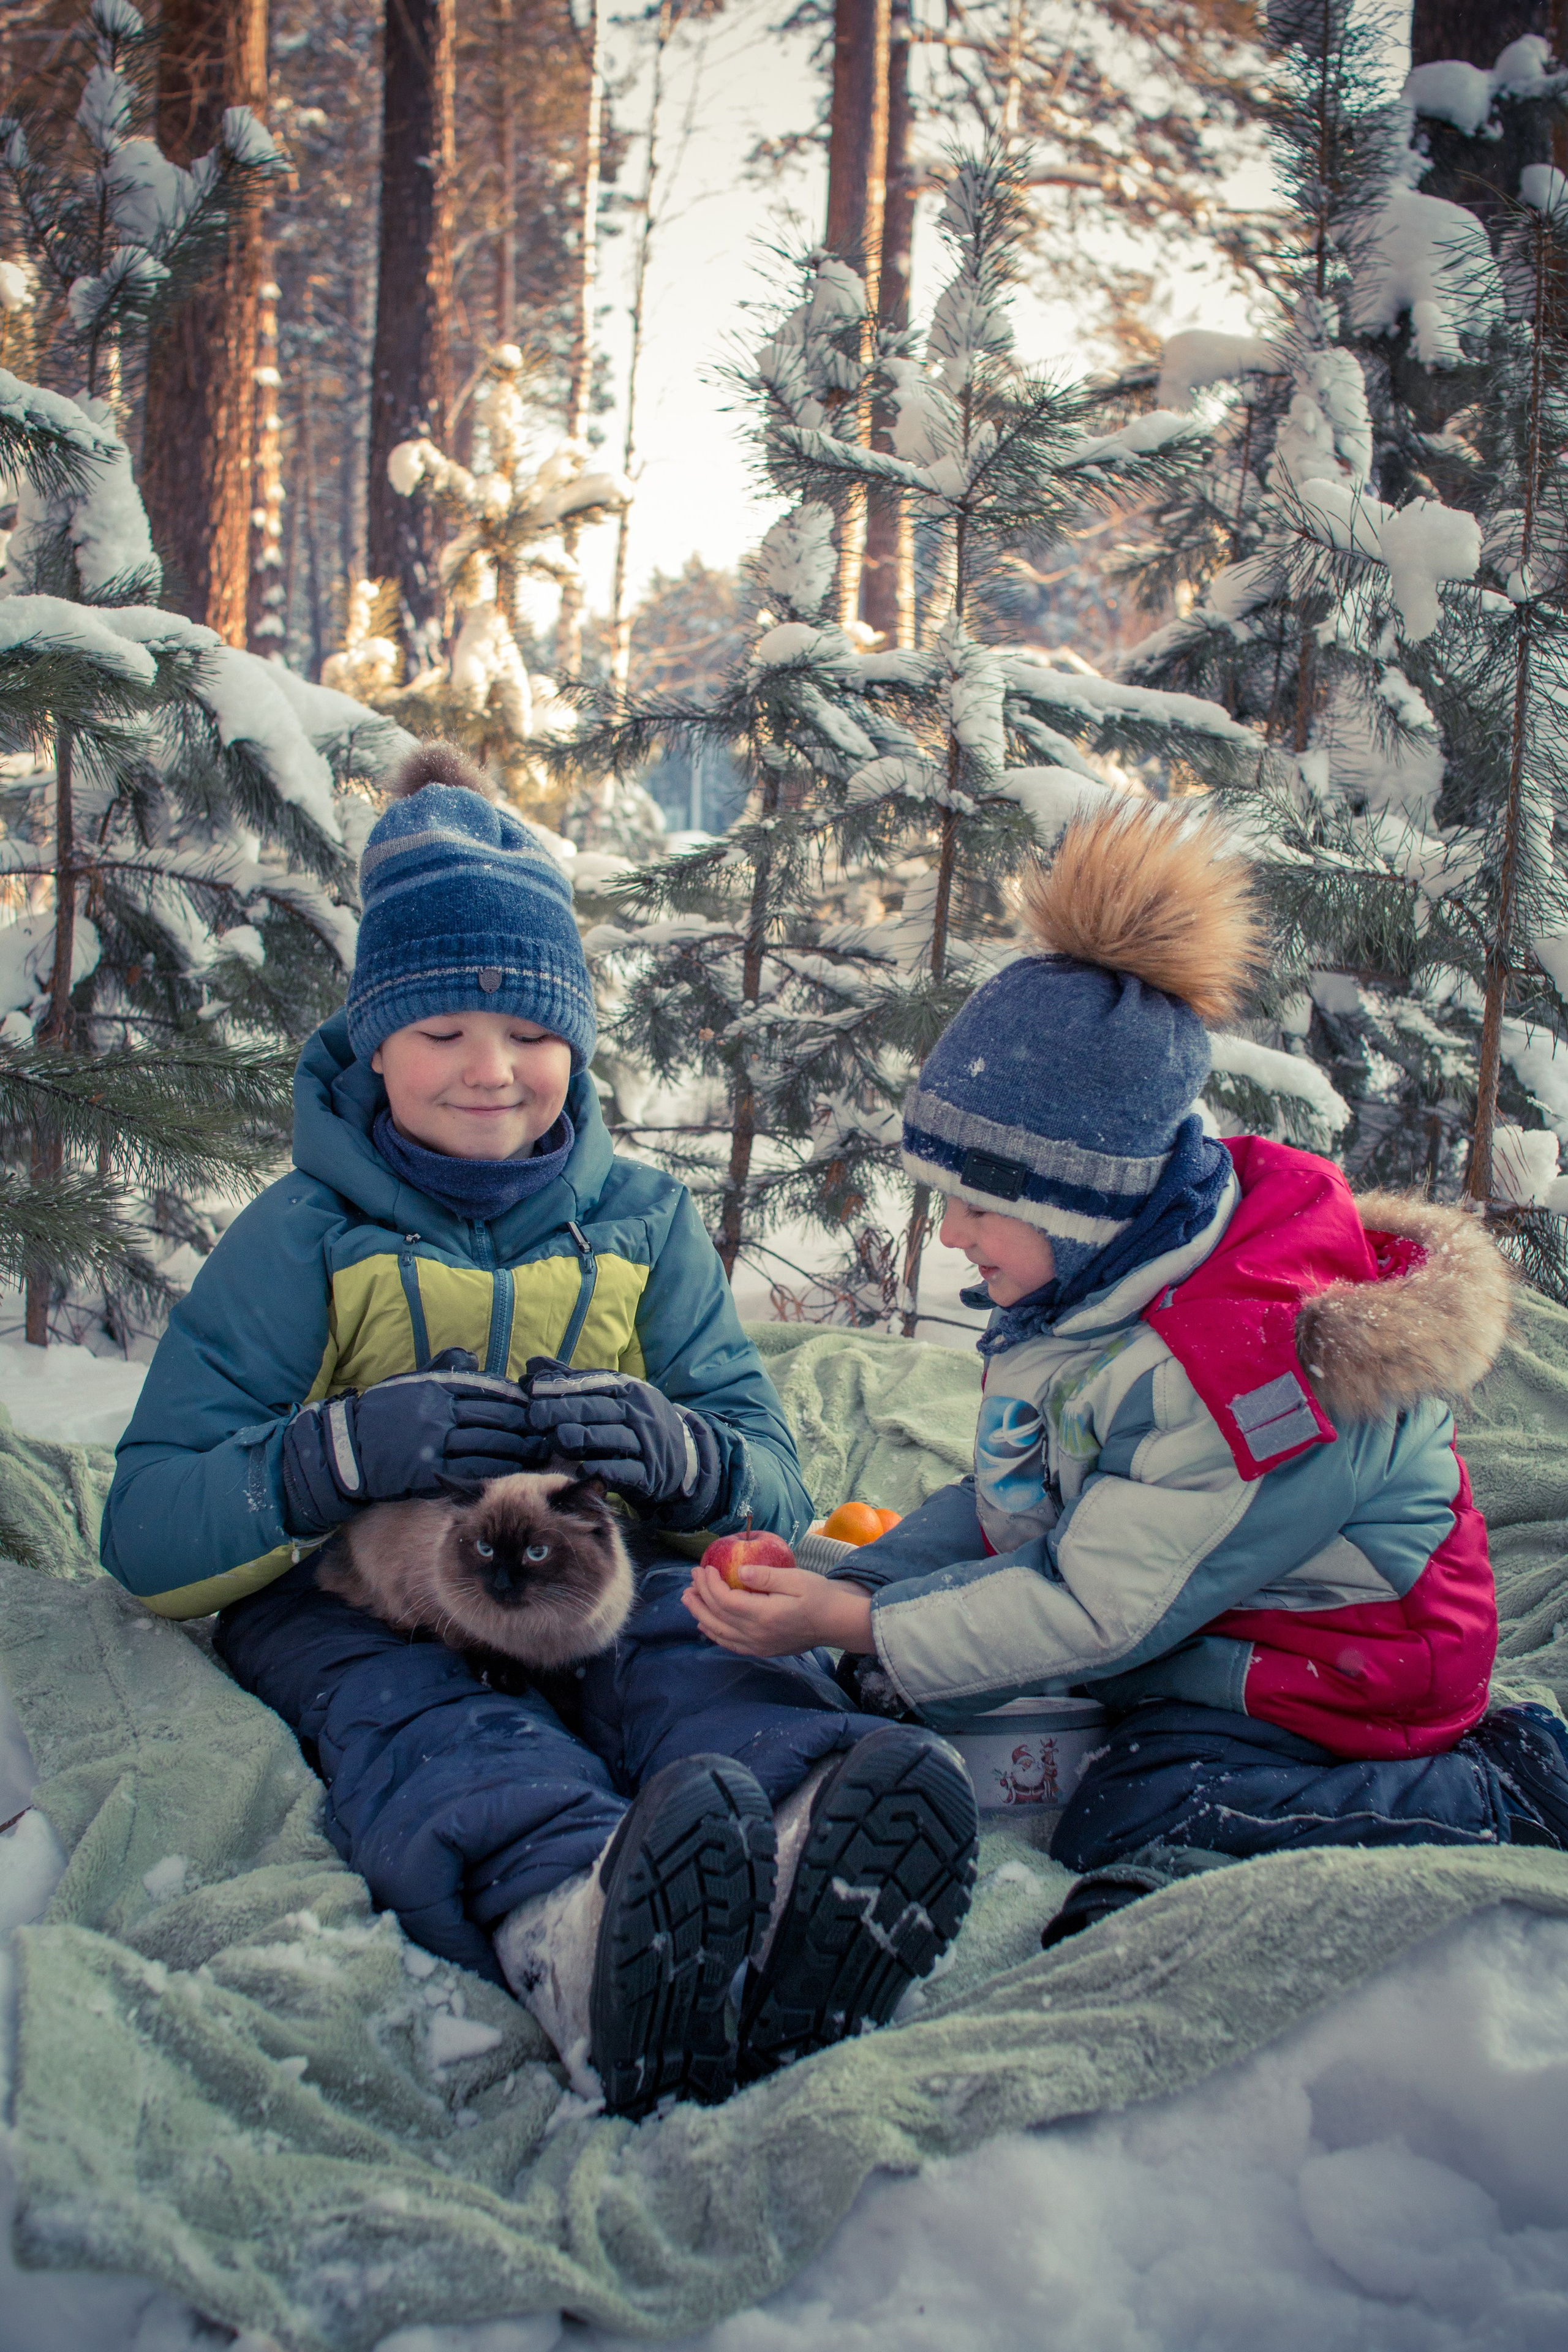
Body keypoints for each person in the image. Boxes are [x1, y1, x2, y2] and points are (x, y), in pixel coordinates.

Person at [100, 742, 978, 2116]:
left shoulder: (639, 1221)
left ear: (576, 1041)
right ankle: (577, 1924)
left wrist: (679, 1456)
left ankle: (816, 1852)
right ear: (371, 1041)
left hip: (592, 1574)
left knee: (700, 1643)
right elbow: (150, 1529)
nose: (490, 1072)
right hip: (357, 1606)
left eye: (530, 1034)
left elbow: (767, 1471)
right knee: (432, 1728)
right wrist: (332, 1457)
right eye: (441, 1033)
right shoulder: (301, 1237)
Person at [685, 799, 1568, 1943]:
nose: (952, 1236)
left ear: (1083, 1204)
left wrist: (862, 1627)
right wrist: (849, 1587)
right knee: (955, 1686)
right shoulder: (1097, 1287)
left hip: (1341, 1671)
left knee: (1137, 1813)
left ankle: (1499, 1791)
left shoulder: (1233, 1371)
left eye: (983, 1207)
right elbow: (1022, 1501)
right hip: (1207, 1617)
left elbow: (1096, 1608)